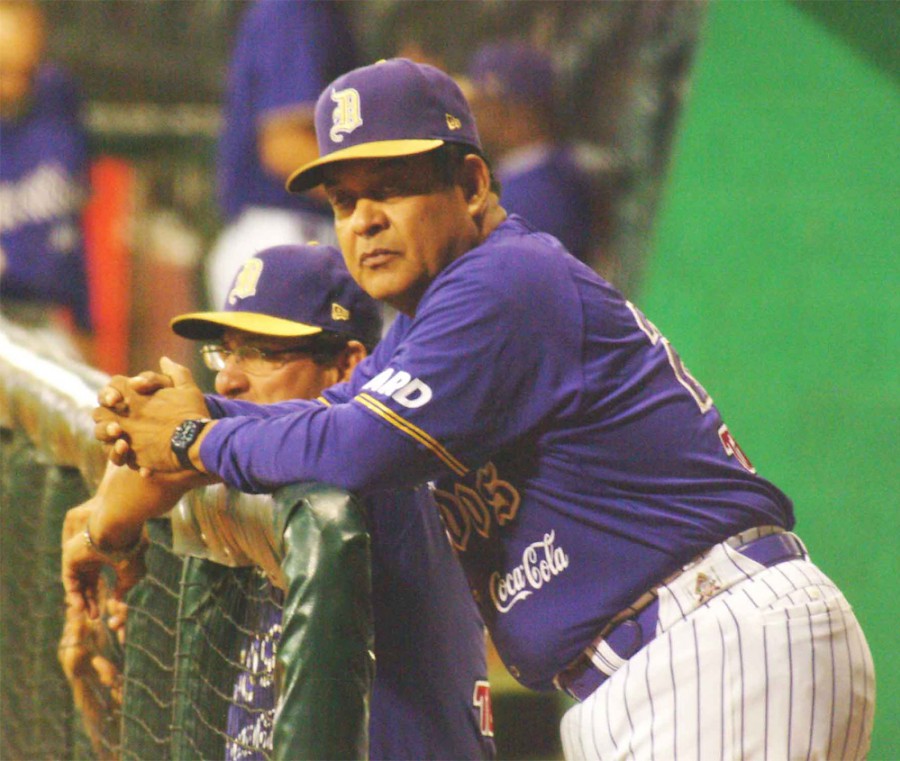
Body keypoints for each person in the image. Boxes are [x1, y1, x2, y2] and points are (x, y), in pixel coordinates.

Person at [90, 59, 875, 760]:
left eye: (390, 188)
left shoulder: (503, 282)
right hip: (657, 669)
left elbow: (355, 447)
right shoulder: (424, 324)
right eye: (344, 200)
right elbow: (320, 417)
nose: (363, 220)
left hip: (711, 646)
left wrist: (190, 437)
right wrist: (165, 429)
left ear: (470, 185)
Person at [64, 243, 495, 760]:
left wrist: (102, 534)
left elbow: (157, 452)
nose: (228, 377)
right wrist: (104, 524)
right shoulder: (268, 471)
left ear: (346, 366)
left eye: (263, 352)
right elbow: (150, 445)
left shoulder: (378, 477)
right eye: (226, 351)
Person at [205, 0, 359, 309]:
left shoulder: (324, 14)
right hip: (287, 241)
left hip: (299, 240)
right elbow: (285, 146)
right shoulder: (292, 11)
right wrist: (384, 194)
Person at [0, 0, 93, 359]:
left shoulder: (57, 98)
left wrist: (85, 324)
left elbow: (72, 233)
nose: (13, 87)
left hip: (41, 320)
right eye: (2, 71)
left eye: (25, 72)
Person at [464, 41, 596, 264]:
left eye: (480, 106)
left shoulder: (535, 199)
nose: (469, 118)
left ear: (518, 115)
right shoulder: (549, 172)